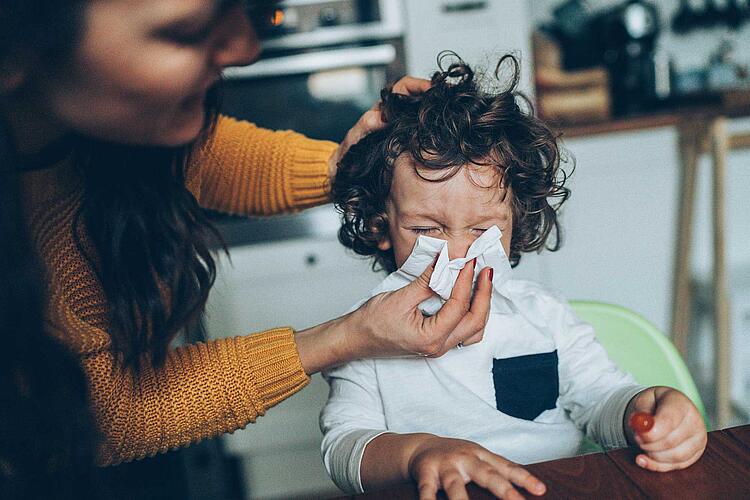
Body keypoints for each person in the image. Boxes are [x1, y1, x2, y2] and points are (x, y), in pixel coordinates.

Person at [0, 0, 493, 471]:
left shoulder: (116, 132)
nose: (245, 47)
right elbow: (95, 415)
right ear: (16, 45)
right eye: (187, 29)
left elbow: (209, 157)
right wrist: (346, 336)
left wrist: (351, 169)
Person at [321, 54, 708, 499]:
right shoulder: (362, 331)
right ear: (379, 224)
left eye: (483, 230)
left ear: (515, 220)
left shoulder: (542, 316)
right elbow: (342, 448)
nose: (459, 253)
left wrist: (645, 410)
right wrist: (416, 453)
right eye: (427, 229)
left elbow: (601, 398)